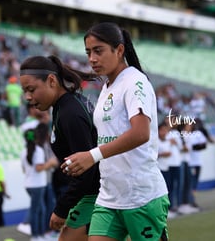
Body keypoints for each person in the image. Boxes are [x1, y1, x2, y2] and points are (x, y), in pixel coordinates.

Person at [62, 22, 169, 241]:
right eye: (88, 52)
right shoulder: (107, 87)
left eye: (98, 51)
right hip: (109, 196)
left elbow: (141, 133)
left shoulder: (135, 82)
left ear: (119, 50)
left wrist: (92, 156)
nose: (92, 58)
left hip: (141, 196)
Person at [19, 55, 101, 241]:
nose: (28, 97)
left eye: (31, 89)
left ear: (51, 81)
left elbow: (86, 167)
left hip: (96, 194)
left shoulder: (70, 113)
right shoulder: (65, 106)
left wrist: (62, 208)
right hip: (93, 191)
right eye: (25, 91)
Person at [20, 123, 58, 241]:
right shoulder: (38, 150)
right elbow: (39, 168)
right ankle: (36, 236)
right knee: (37, 211)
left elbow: (23, 169)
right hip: (38, 185)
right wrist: (51, 163)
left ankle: (40, 234)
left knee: (40, 209)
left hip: (29, 184)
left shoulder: (24, 151)